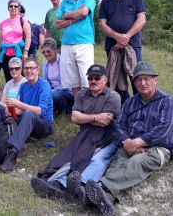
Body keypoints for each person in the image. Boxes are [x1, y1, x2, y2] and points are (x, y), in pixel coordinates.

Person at [85, 61, 173, 216]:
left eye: (147, 78)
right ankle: (107, 197)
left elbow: (164, 129)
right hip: (129, 144)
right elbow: (119, 126)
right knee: (119, 161)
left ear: (155, 80)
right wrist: (128, 142)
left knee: (136, 162)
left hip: (158, 148)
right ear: (134, 82)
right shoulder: (130, 102)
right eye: (138, 79)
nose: (143, 83)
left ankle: (102, 188)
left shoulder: (167, 101)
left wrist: (137, 143)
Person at [31, 64, 121, 205]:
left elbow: (105, 122)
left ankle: (61, 184)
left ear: (106, 79)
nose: (93, 81)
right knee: (68, 153)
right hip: (85, 133)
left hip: (106, 136)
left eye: (97, 78)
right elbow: (74, 118)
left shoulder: (113, 96)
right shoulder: (81, 95)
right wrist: (95, 117)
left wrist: (85, 117)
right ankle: (51, 178)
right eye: (90, 78)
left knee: (84, 156)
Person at [0, 57, 53, 173]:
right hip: (26, 118)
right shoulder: (24, 86)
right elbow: (20, 110)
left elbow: (40, 111)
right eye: (26, 68)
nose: (29, 71)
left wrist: (19, 104)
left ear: (37, 70)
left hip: (43, 125)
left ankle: (12, 153)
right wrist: (11, 111)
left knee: (29, 113)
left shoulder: (44, 85)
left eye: (32, 68)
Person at [99, 0, 146, 103]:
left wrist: (126, 37)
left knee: (137, 77)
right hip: (113, 47)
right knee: (117, 81)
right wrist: (116, 36)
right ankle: (124, 110)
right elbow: (102, 24)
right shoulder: (105, 1)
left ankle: (141, 108)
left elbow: (141, 19)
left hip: (133, 46)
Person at [55, 0, 96, 97]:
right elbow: (57, 24)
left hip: (84, 43)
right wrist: (74, 17)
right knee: (73, 82)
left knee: (87, 79)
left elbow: (84, 12)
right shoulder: (65, 1)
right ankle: (78, 108)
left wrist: (66, 16)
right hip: (67, 44)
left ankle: (90, 109)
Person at [0, 0, 31, 82]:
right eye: (11, 6)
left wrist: (25, 52)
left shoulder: (23, 20)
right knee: (9, 79)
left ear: (19, 8)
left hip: (19, 54)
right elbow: (0, 40)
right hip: (5, 55)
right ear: (8, 8)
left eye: (16, 6)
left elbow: (28, 37)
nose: (13, 8)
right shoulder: (3, 23)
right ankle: (10, 95)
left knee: (21, 79)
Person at [41, 38, 74, 114]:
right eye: (44, 52)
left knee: (54, 95)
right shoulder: (45, 65)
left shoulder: (63, 61)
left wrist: (51, 92)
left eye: (48, 51)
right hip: (53, 91)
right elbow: (45, 83)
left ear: (54, 50)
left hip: (66, 91)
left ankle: (68, 110)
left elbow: (67, 85)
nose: (46, 54)